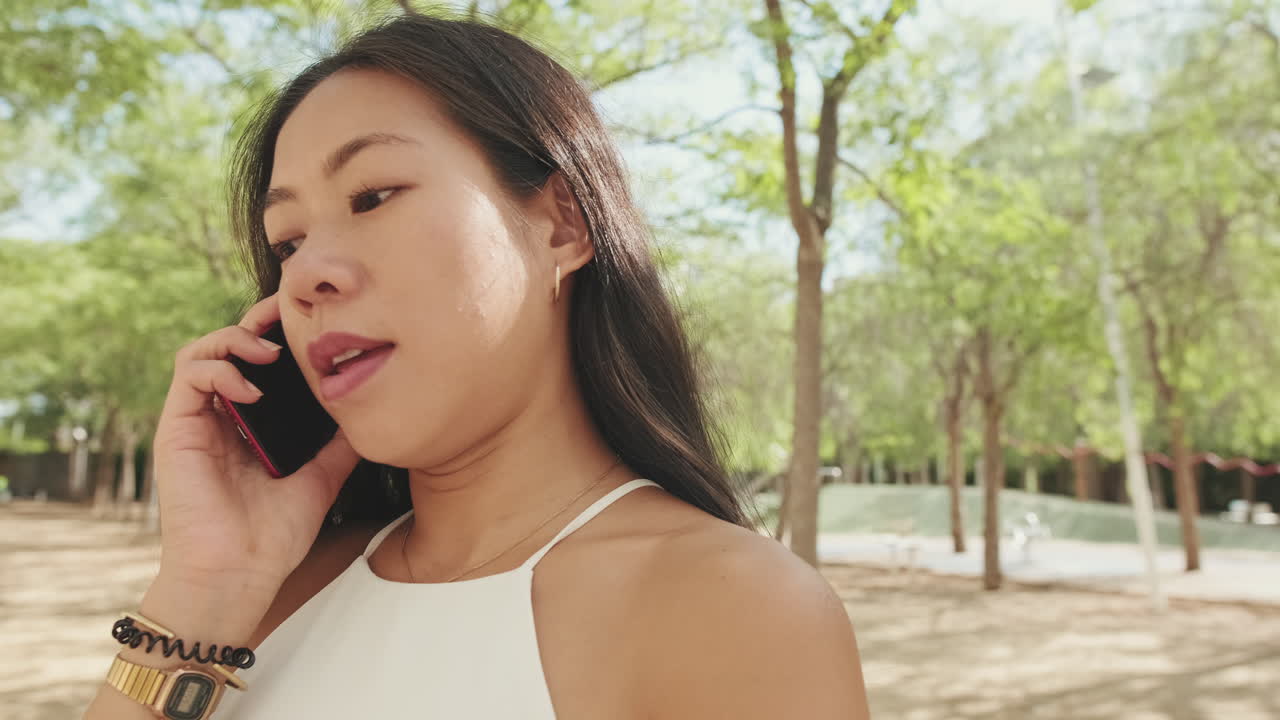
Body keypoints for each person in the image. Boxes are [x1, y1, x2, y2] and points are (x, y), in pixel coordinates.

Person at [83, 11, 869, 719]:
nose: (306, 275)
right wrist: (204, 588)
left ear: (562, 225)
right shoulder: (266, 589)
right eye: (286, 242)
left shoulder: (732, 612)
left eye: (373, 196)